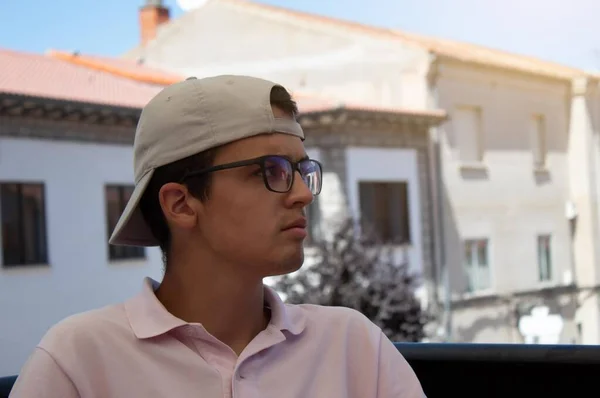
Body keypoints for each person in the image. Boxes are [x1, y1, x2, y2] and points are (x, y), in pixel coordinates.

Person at [10, 75, 426, 397]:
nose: (302, 195)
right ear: (181, 204)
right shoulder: (78, 360)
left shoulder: (352, 345)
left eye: (302, 171)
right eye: (272, 171)